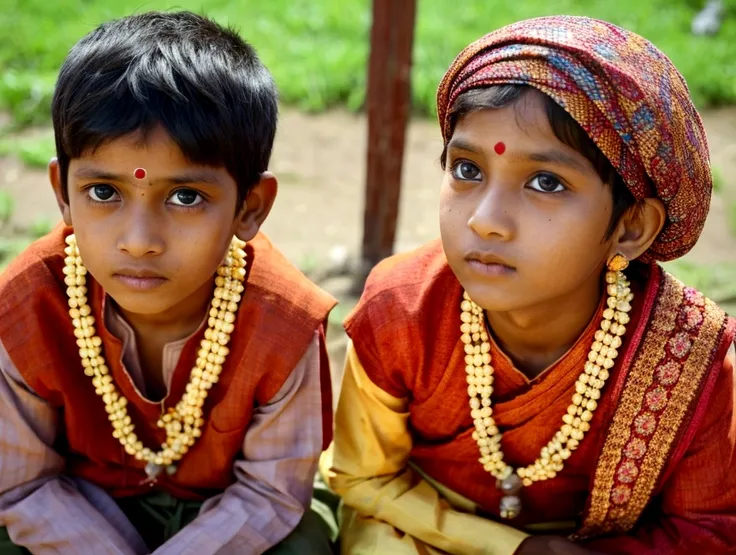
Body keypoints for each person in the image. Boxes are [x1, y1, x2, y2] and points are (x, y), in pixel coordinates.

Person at [321, 15, 736, 555]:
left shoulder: (689, 361)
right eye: (467, 170)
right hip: (416, 532)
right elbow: (361, 480)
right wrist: (507, 547)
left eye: (546, 182)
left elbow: (708, 534)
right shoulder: (402, 308)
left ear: (631, 227)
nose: (486, 220)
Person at [0, 11, 337, 555]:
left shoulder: (283, 320)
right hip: (80, 506)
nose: (139, 240)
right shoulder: (26, 305)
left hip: (229, 515)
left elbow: (271, 494)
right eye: (103, 193)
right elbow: (21, 483)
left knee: (306, 543)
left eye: (185, 197)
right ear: (62, 193)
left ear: (250, 209)